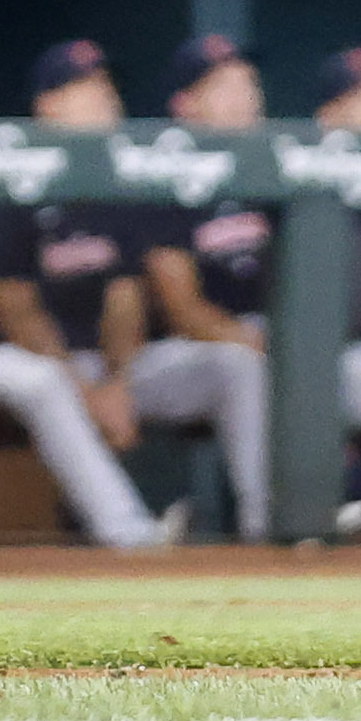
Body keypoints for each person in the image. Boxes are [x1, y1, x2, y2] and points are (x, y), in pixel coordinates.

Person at [0, 42, 227, 550]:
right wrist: (89, 389)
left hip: (94, 364)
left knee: (230, 365)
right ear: (48, 105)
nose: (107, 99)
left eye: (108, 87)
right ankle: (132, 535)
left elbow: (124, 296)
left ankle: (277, 533)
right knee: (44, 382)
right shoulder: (8, 176)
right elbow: (17, 311)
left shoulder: (113, 184)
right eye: (87, 88)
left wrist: (118, 380)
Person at [130, 33, 285, 539]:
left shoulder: (279, 172)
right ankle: (271, 529)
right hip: (186, 351)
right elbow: (183, 309)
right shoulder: (165, 181)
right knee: (241, 364)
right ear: (185, 105)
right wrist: (267, 346)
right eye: (225, 86)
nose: (246, 97)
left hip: (277, 338)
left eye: (249, 83)